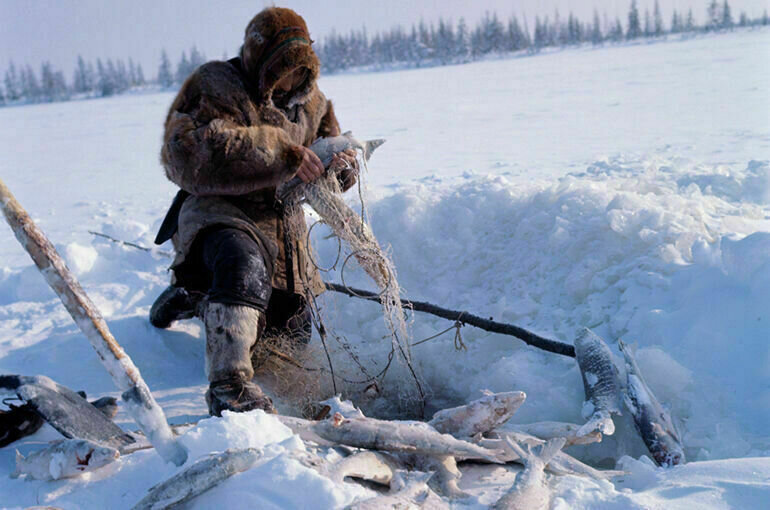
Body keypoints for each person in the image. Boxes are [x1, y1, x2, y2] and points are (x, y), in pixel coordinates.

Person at [149, 7, 358, 416]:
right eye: (281, 70)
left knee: (287, 339)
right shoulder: (215, 84)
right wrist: (282, 154)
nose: (289, 82)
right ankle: (229, 389)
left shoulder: (314, 104)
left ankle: (198, 298)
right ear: (258, 59)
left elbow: (326, 162)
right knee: (242, 267)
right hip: (218, 212)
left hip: (283, 229)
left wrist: (342, 168)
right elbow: (185, 153)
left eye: (299, 72)